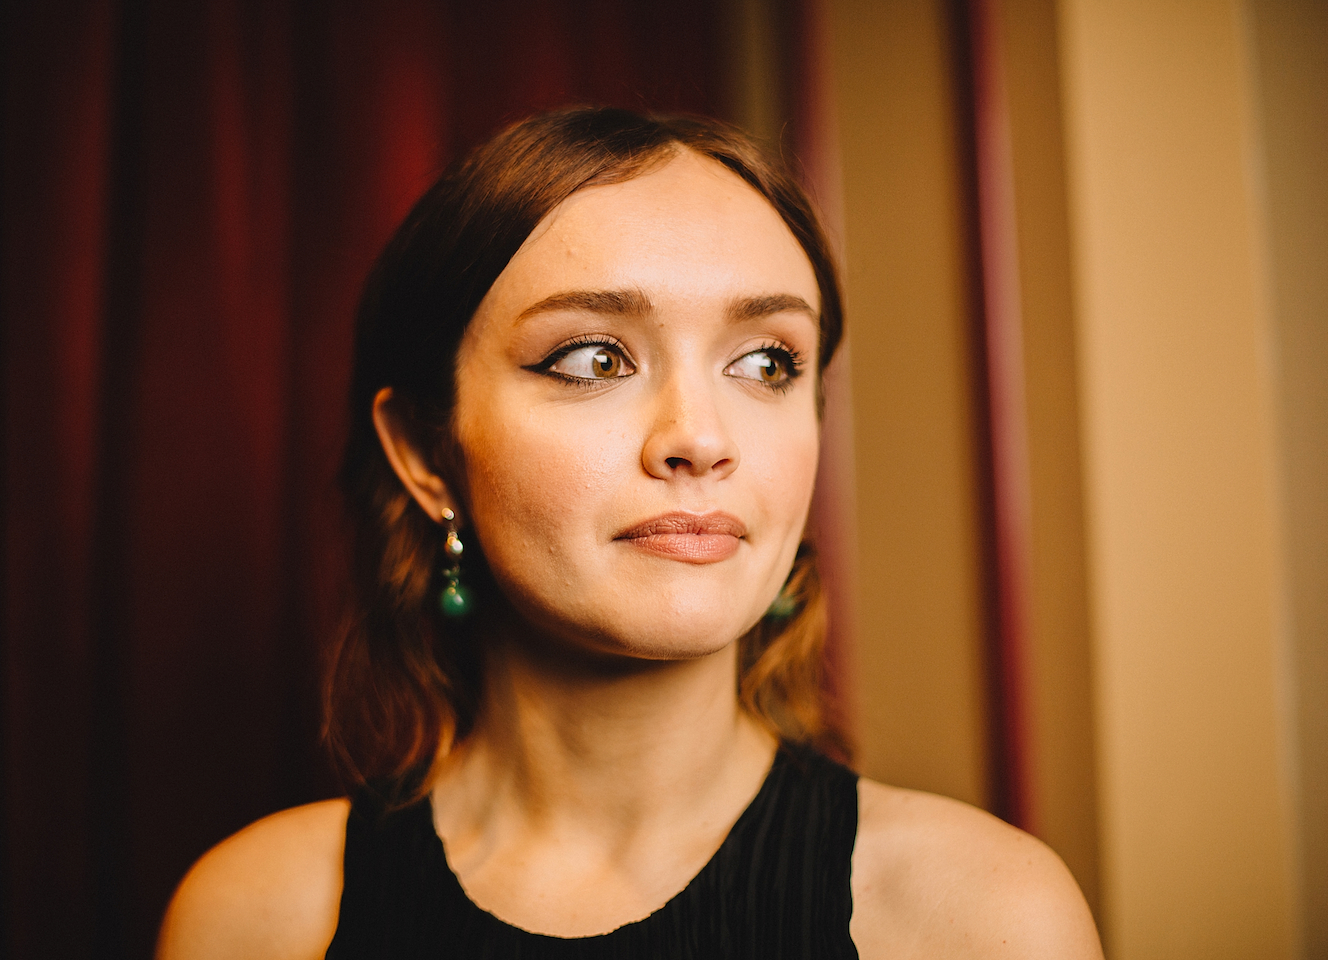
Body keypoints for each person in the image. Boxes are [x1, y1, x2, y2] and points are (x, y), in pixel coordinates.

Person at [156, 107, 1102, 959]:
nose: (699, 436)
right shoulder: (258, 919)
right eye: (592, 357)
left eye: (768, 361)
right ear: (424, 452)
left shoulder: (982, 921)